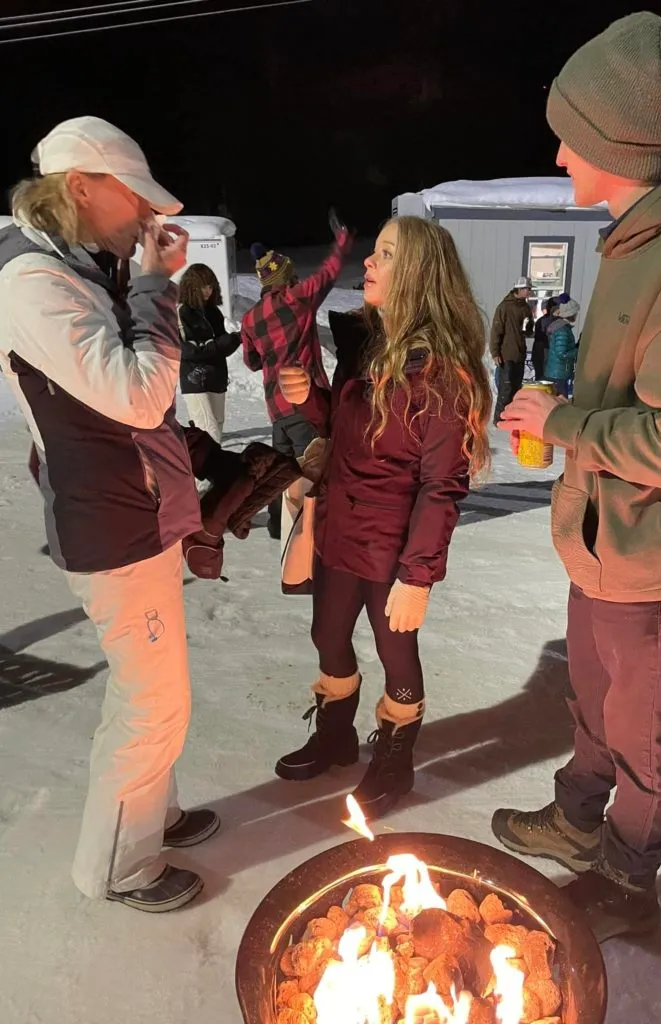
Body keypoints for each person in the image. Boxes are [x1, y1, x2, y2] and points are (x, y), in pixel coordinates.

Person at [493, 13, 661, 942]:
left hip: (655, 555)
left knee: (645, 732)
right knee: (594, 704)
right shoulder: (640, 238)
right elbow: (645, 392)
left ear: (616, 140)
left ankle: (625, 875)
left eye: (569, 136)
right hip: (609, 544)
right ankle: (578, 822)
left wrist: (567, 424)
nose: (557, 155)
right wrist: (567, 406)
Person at [0, 116, 221, 913]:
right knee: (151, 702)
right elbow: (137, 394)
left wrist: (137, 275)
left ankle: (151, 812)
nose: (148, 215)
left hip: (131, 511)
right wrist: (158, 287)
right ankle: (120, 867)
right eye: (136, 197)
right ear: (81, 187)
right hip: (113, 527)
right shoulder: (34, 283)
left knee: (155, 689)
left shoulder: (76, 267)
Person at [275, 216, 492, 818]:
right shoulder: (370, 347)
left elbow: (442, 486)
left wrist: (417, 576)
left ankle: (395, 760)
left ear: (418, 273)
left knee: (396, 654)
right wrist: (311, 401)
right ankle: (335, 735)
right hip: (339, 529)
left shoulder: (440, 373)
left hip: (392, 546)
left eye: (386, 255)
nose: (368, 263)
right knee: (327, 636)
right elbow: (351, 432)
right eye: (373, 252)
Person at [240, 225, 352, 539]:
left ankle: (278, 526)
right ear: (286, 276)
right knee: (313, 466)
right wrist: (344, 239)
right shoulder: (296, 299)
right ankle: (309, 531)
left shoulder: (250, 318)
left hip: (276, 407)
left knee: (281, 469)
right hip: (305, 401)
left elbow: (251, 362)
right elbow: (328, 273)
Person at [178, 263, 241, 444]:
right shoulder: (182, 312)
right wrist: (219, 344)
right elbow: (188, 351)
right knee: (209, 431)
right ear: (191, 287)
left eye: (211, 286)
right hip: (194, 380)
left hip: (217, 377)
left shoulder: (214, 312)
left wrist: (234, 339)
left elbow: (223, 347)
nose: (208, 291)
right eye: (203, 286)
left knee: (216, 430)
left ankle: (197, 459)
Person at [490, 275, 533, 424]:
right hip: (506, 353)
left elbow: (528, 331)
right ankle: (499, 419)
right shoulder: (504, 307)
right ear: (519, 289)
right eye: (527, 289)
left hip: (519, 353)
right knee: (506, 389)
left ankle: (512, 417)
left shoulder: (526, 308)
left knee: (516, 388)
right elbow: (496, 330)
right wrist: (495, 352)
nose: (529, 292)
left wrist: (529, 327)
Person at [544, 298, 580, 396]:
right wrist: (578, 351)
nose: (576, 315)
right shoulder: (563, 330)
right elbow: (562, 353)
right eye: (576, 313)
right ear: (571, 313)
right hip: (559, 373)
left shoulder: (561, 328)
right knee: (560, 400)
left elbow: (564, 348)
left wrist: (577, 345)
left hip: (557, 372)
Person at [532, 296, 558, 381]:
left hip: (539, 352)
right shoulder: (555, 322)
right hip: (546, 352)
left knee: (540, 377)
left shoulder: (541, 320)